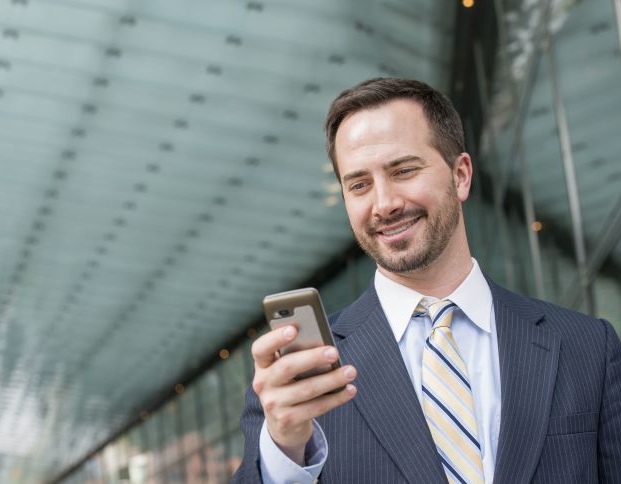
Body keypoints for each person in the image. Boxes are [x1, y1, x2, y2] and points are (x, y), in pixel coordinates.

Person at [232, 78, 621, 483]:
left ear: (461, 175)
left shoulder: (588, 348)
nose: (384, 204)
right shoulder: (298, 379)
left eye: (403, 170)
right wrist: (284, 450)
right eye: (360, 184)